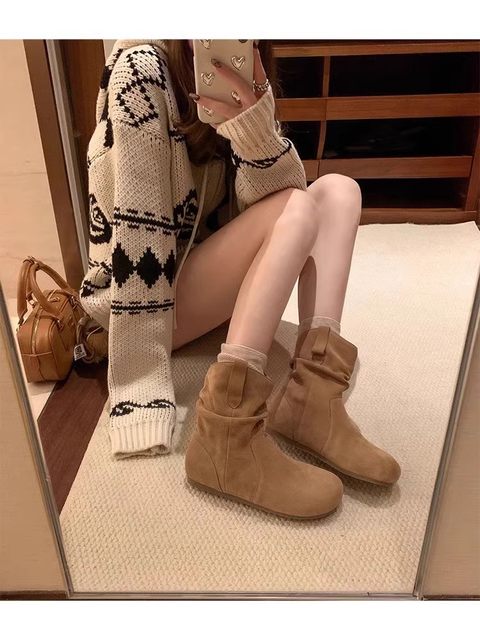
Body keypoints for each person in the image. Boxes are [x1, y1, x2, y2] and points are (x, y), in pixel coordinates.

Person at [80, 39, 400, 521]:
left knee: (338, 192)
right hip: (141, 298)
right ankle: (225, 435)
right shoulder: (141, 72)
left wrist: (256, 132)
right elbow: (137, 236)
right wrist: (139, 391)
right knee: (296, 208)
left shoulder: (244, 62)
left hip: (199, 279)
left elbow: (288, 201)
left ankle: (313, 399)